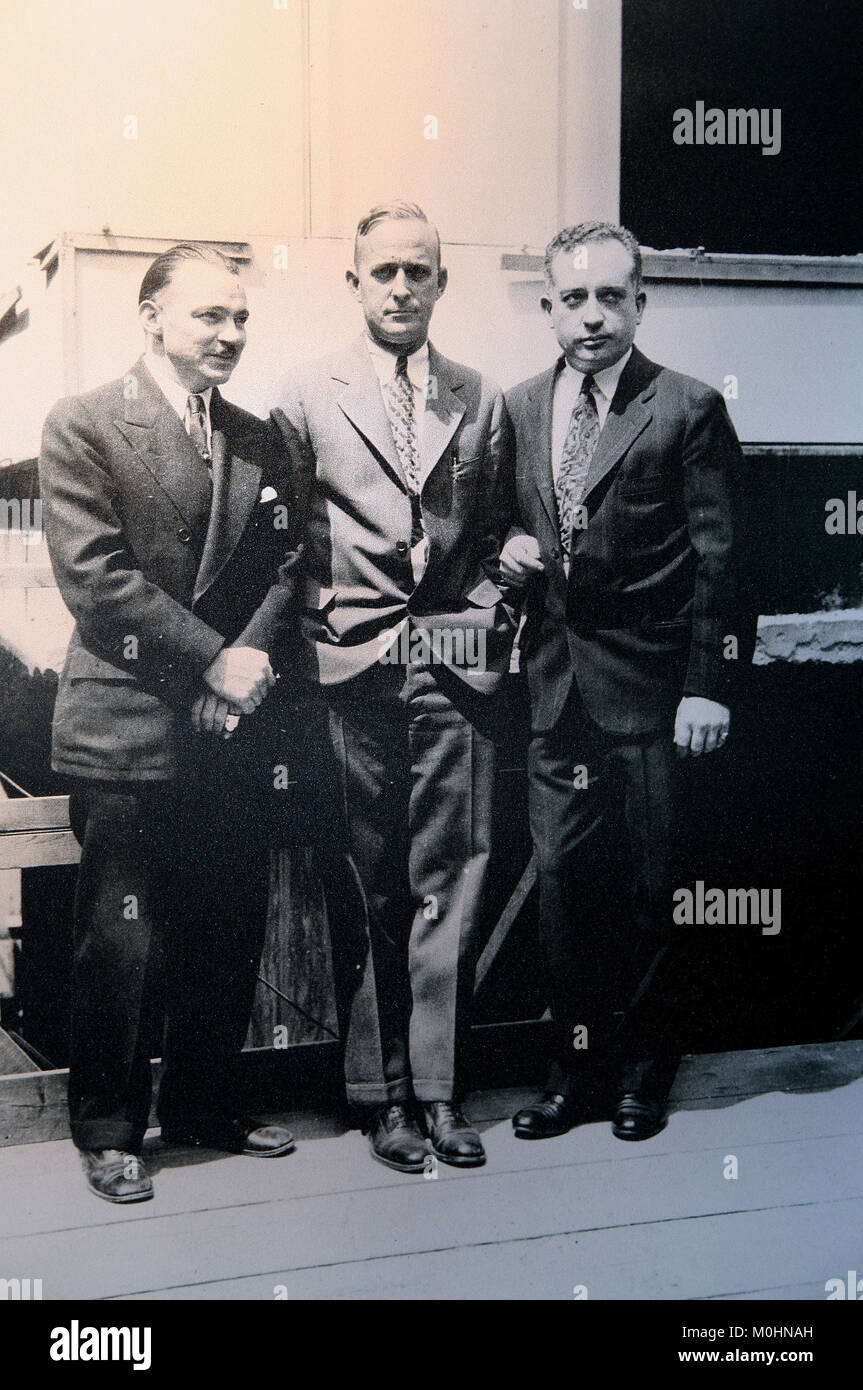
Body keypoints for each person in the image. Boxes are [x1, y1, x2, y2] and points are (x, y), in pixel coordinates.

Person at [39, 243, 300, 1202]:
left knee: (225, 924)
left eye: (239, 318)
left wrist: (246, 667)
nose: (230, 335)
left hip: (231, 724)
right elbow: (97, 578)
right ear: (151, 317)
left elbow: (286, 562)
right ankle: (110, 1128)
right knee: (122, 935)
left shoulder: (260, 435)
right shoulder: (85, 423)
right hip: (127, 722)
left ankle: (203, 1105)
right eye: (208, 317)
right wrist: (211, 659)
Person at [272, 201, 514, 1173]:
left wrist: (487, 611)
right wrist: (315, 629)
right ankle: (380, 1099)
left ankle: (441, 1091)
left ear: (442, 284)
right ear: (354, 283)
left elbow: (497, 537)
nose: (401, 288)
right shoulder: (305, 395)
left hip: (449, 672)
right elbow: (283, 545)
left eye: (419, 271)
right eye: (384, 272)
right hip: (351, 672)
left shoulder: (477, 397)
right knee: (365, 882)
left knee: (445, 886)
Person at [502, 222, 755, 1142]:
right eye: (573, 297)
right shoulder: (522, 407)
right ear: (547, 309)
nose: (593, 314)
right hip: (555, 696)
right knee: (566, 892)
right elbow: (506, 529)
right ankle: (574, 1075)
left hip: (654, 698)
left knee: (654, 894)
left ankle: (645, 1078)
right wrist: (508, 550)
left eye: (612, 296)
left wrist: (707, 685)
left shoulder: (685, 408)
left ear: (640, 303)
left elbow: (722, 565)